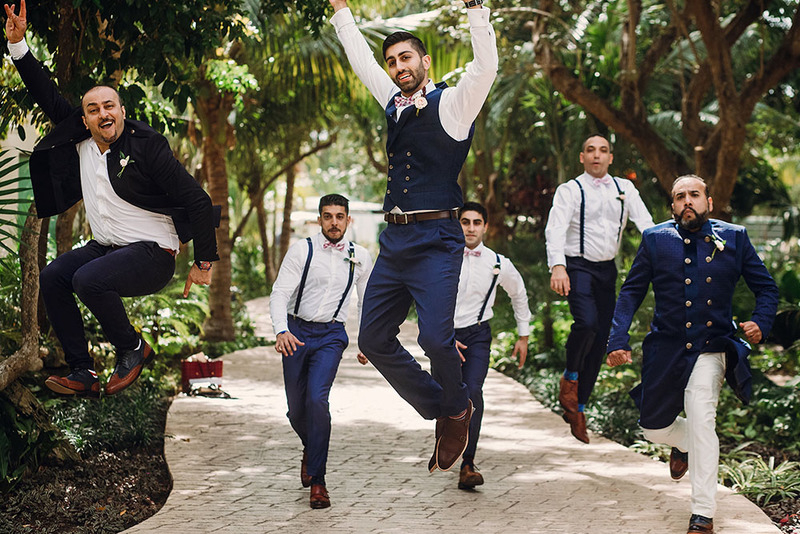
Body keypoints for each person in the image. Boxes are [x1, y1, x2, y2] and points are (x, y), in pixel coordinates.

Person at [4, 0, 218, 398]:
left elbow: (198, 200)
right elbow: (46, 95)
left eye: (109, 106)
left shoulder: (147, 146)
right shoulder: (81, 138)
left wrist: (204, 261)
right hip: (106, 248)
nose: (103, 114)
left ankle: (132, 348)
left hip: (153, 253)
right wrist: (19, 46)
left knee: (88, 279)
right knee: (54, 277)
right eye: (93, 109)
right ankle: (82, 370)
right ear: (84, 118)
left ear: (122, 111)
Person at [328, 0, 498, 472]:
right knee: (374, 340)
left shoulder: (455, 105)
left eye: (406, 58)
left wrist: (477, 12)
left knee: (437, 340)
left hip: (438, 239)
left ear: (425, 62)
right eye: (392, 61)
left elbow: (486, 67)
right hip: (395, 240)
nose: (398, 67)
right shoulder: (393, 102)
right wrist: (342, 11)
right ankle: (444, 408)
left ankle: (457, 406)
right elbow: (361, 60)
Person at [606, 175, 778, 534]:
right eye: (680, 196)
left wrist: (761, 322)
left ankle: (702, 513)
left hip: (711, 348)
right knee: (653, 429)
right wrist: (617, 339)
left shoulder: (734, 237)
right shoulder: (655, 239)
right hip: (665, 348)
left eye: (694, 195)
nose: (688, 201)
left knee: (703, 421)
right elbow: (630, 293)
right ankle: (682, 445)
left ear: (709, 203)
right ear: (672, 206)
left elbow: (766, 288)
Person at [544, 134, 654, 443]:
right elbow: (555, 229)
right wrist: (558, 266)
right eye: (590, 150)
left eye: (603, 150)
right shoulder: (571, 190)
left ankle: (579, 407)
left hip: (607, 269)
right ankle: (570, 377)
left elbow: (646, 224)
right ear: (582, 157)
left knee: (602, 337)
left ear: (610, 157)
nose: (596, 155)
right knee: (587, 323)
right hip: (577, 266)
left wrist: (664, 252)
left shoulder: (624, 188)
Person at [270, 194, 373, 509]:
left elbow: (366, 301)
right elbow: (280, 292)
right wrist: (280, 330)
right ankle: (311, 449)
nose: (334, 222)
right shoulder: (303, 250)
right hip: (296, 332)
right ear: (319, 220)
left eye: (339, 216)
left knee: (317, 399)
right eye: (327, 216)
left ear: (348, 220)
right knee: (296, 410)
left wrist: (366, 340)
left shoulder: (361, 256)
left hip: (331, 334)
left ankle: (319, 481)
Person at [453, 201, 530, 489]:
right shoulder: (444, 259)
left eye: (476, 222)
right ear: (457, 224)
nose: (470, 227)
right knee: (448, 398)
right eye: (465, 221)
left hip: (477, 335)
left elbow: (519, 294)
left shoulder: (498, 263)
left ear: (485, 226)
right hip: (445, 337)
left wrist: (523, 336)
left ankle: (468, 463)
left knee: (473, 392)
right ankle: (449, 445)